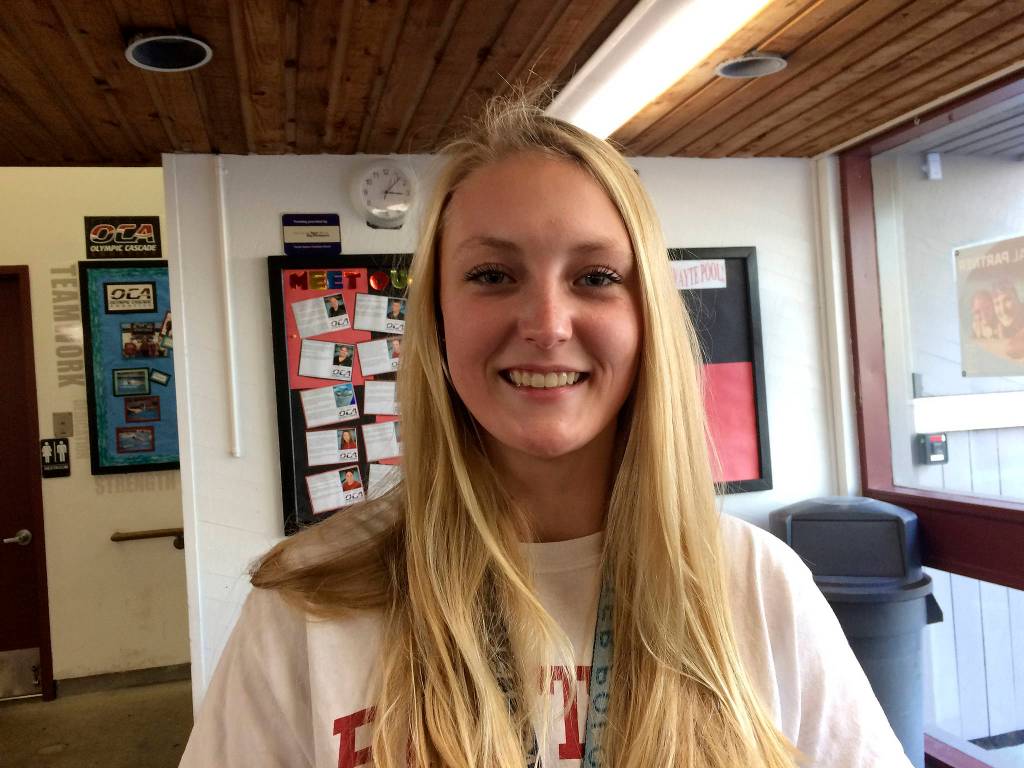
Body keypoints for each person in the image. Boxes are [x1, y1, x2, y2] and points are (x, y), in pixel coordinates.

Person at [180, 97, 910, 767]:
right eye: (493, 275)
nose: (547, 326)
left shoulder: (758, 585)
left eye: (594, 277)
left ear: (646, 315)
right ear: (434, 317)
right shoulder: (304, 608)